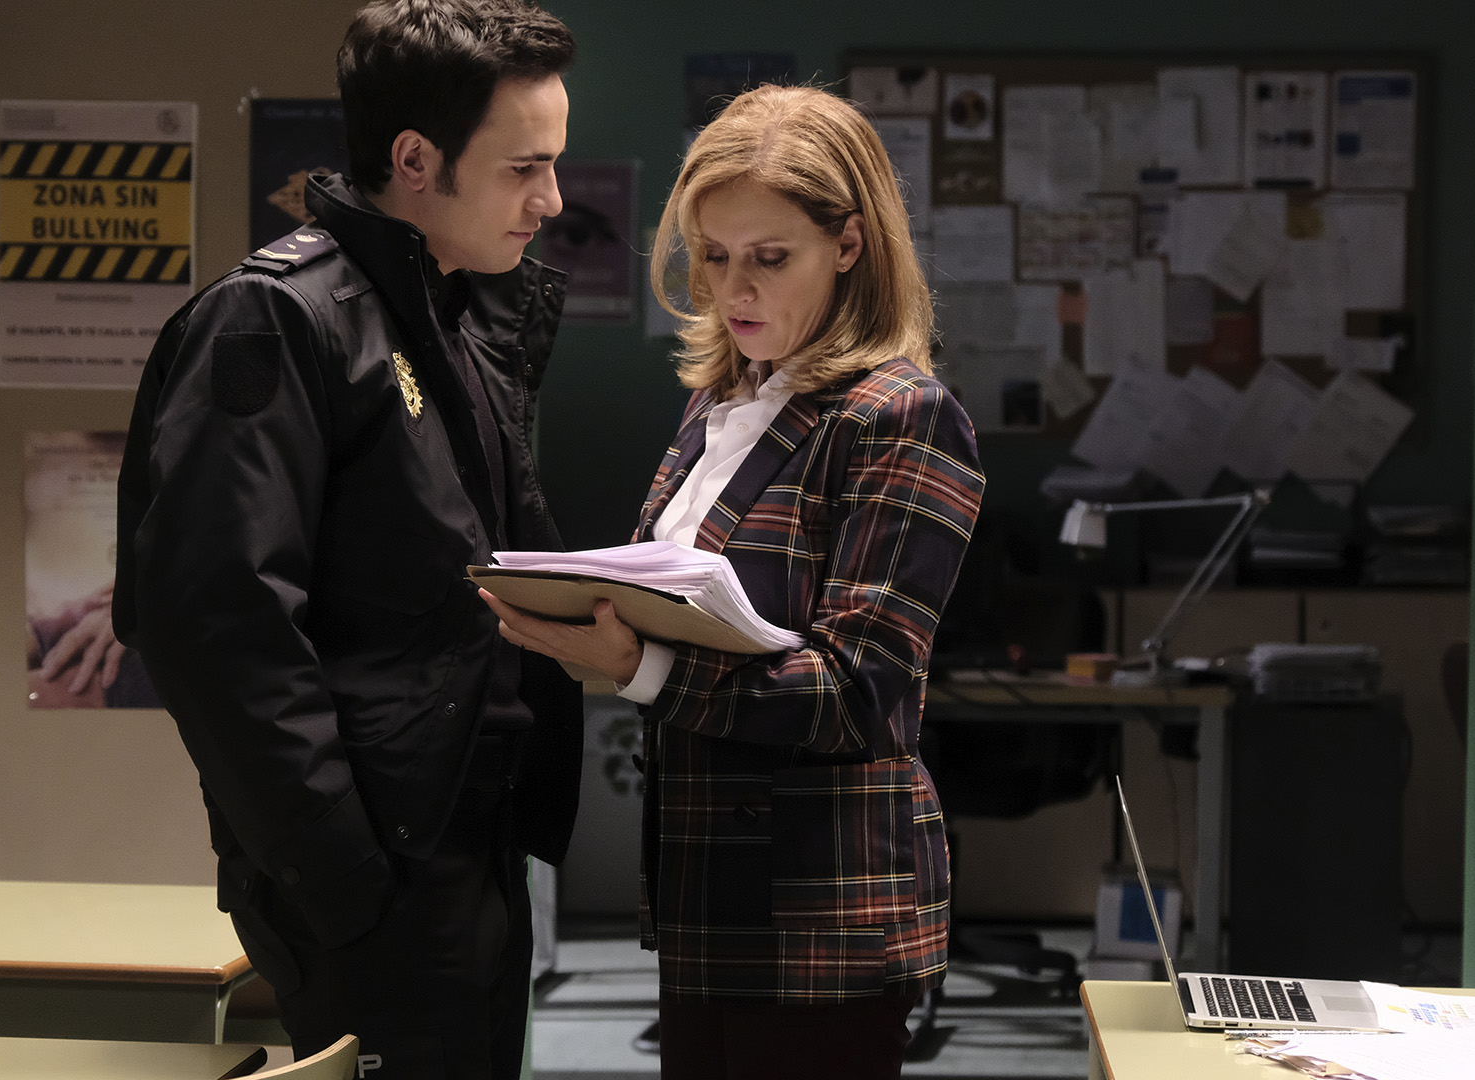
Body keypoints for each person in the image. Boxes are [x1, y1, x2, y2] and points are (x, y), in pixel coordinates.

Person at [113, 3, 582, 1077]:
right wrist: (340, 874)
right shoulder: (278, 318)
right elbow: (213, 624)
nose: (552, 200)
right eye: (525, 168)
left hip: (465, 845)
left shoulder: (455, 314)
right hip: (376, 865)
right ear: (415, 161)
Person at [479, 84, 984, 1079]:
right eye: (713, 256)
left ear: (849, 243)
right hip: (708, 887)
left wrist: (640, 665)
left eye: (769, 257)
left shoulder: (901, 415)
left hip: (822, 905)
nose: (734, 290)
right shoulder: (724, 398)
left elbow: (858, 694)